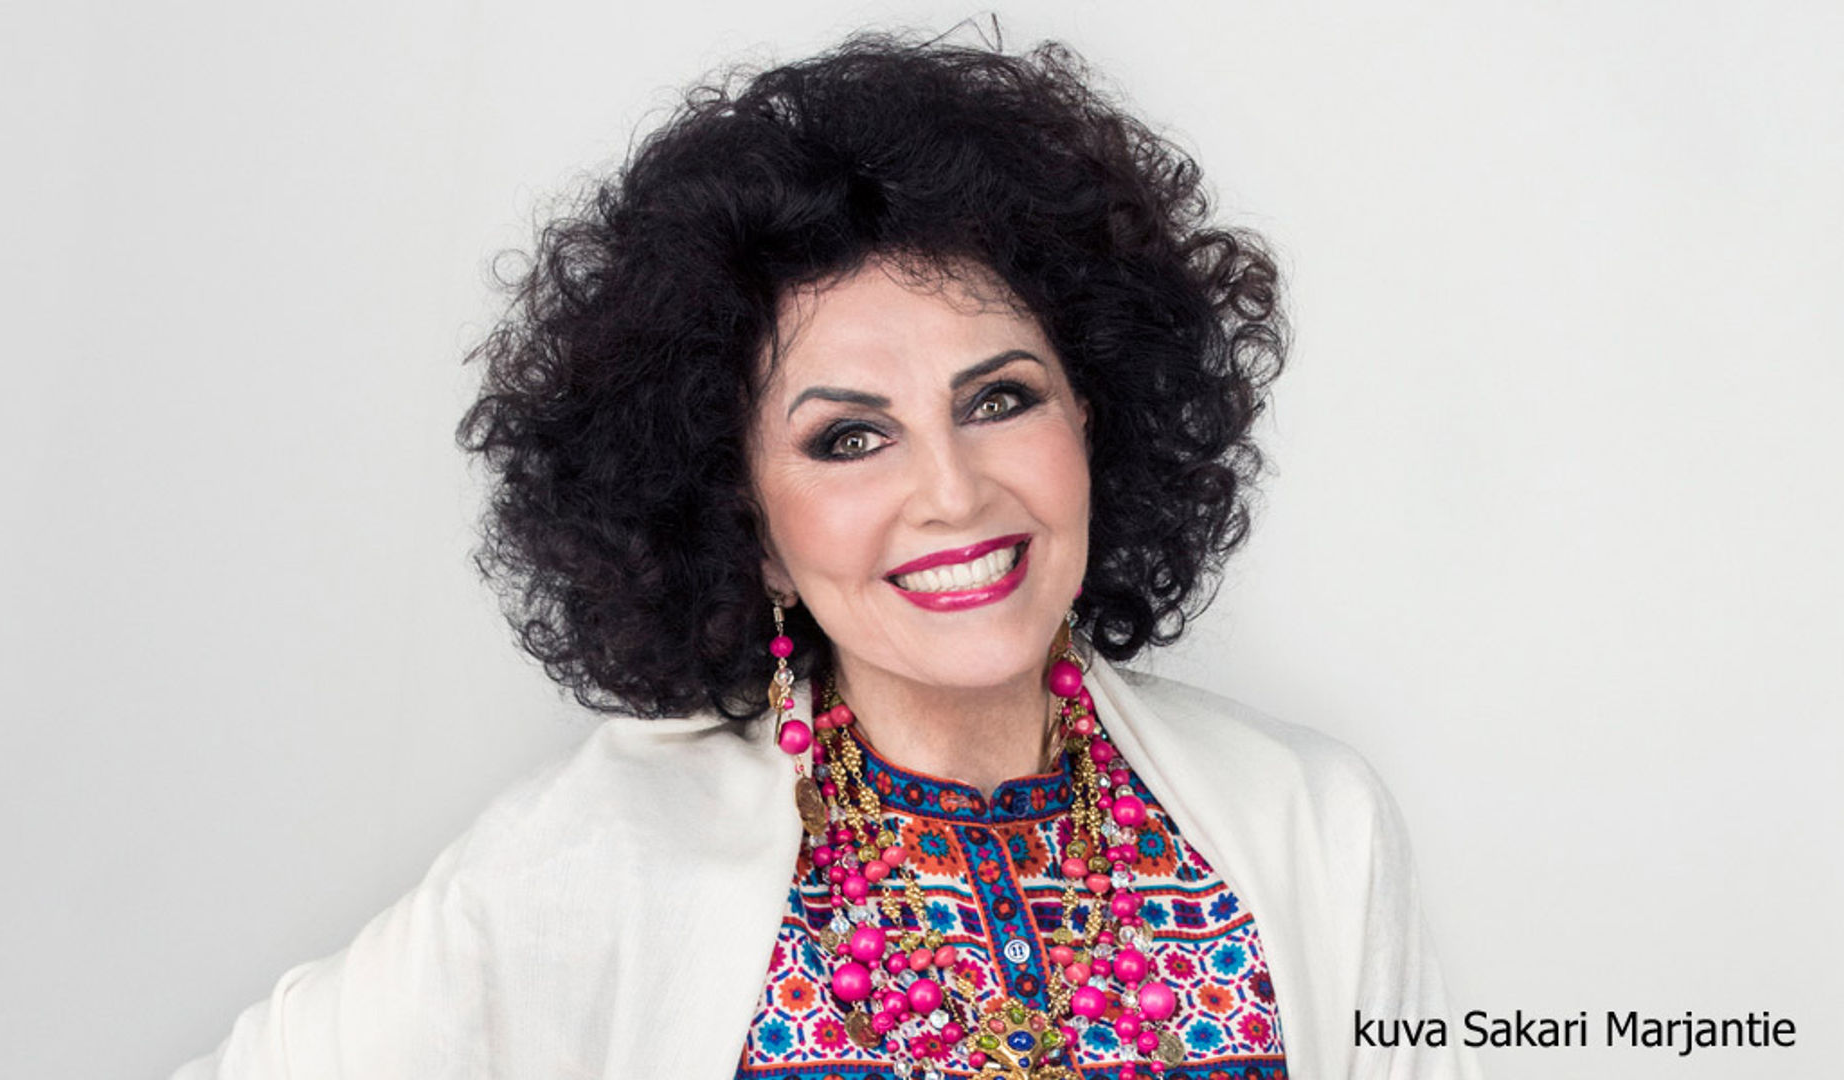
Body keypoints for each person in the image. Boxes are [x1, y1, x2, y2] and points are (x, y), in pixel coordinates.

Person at [176, 31, 1475, 1080]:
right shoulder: (604, 862)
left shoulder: (1315, 827)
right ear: (748, 525)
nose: (952, 492)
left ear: (1093, 420)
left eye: (1001, 398)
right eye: (851, 439)